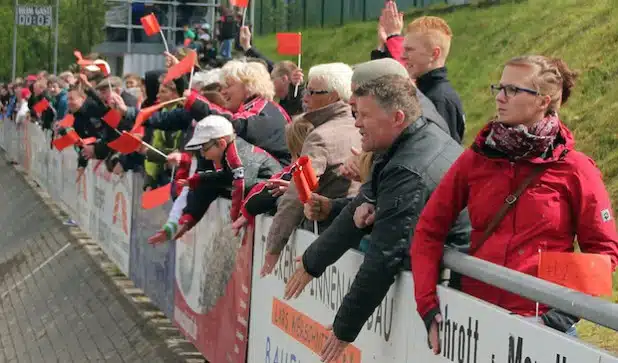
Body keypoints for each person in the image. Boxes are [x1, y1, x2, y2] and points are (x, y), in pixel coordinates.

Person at [410, 56, 618, 354]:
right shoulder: (476, 158)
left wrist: (554, 319)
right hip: (474, 321)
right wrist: (428, 305)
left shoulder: (576, 169)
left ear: (543, 101)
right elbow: (429, 229)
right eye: (500, 86)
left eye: (512, 89)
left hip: (543, 331)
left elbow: (603, 254)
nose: (499, 96)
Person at [284, 75, 470, 362]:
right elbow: (363, 203)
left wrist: (344, 328)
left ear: (397, 117)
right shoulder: (401, 143)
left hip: (454, 291)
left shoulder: (409, 168)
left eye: (364, 115)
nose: (356, 123)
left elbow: (385, 254)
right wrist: (312, 261)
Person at [162, 115, 282, 240]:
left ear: (221, 143)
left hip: (273, 190)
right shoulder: (229, 151)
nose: (202, 154)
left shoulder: (235, 156)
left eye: (204, 148)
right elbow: (224, 177)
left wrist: (235, 219)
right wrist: (196, 180)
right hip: (265, 189)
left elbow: (241, 185)